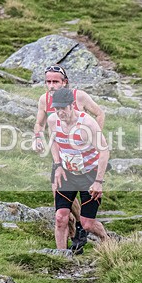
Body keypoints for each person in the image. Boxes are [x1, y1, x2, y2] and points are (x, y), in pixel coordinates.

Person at [33, 65, 105, 253]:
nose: (51, 85)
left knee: (86, 221)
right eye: (48, 81)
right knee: (61, 212)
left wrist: (92, 139)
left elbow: (100, 115)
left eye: (55, 81)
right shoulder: (46, 103)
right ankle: (67, 248)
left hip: (87, 163)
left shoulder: (80, 99)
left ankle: (88, 230)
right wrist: (38, 138)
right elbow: (43, 127)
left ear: (64, 82)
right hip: (63, 162)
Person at [48, 88, 112, 251]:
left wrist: (98, 181)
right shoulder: (53, 120)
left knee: (87, 224)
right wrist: (58, 165)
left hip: (89, 175)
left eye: (63, 108)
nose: (60, 112)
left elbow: (104, 151)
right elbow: (53, 141)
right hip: (67, 174)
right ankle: (62, 256)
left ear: (72, 105)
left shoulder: (87, 124)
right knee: (60, 217)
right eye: (57, 108)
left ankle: (106, 239)